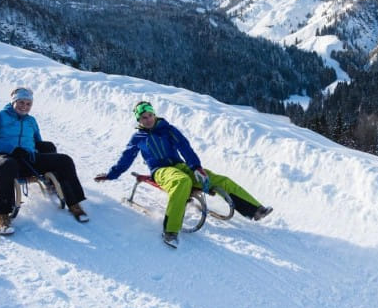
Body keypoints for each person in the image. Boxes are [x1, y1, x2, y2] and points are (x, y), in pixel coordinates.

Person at [94, 101, 272, 247]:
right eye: (142, 118)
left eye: (149, 115)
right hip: (161, 171)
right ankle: (170, 231)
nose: (147, 120)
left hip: (181, 165)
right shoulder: (138, 138)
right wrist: (111, 175)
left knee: (219, 179)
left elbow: (185, 148)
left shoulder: (169, 129)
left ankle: (255, 210)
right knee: (182, 182)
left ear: (154, 114)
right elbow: (126, 159)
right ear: (138, 121)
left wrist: (196, 167)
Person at [0, 87, 88, 234]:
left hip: (29, 157)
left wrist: (44, 156)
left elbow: (38, 141)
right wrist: (11, 149)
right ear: (13, 102)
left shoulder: (31, 120)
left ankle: (74, 203)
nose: (24, 106)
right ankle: (1, 215)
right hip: (8, 156)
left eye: (28, 103)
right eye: (21, 102)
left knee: (64, 160)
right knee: (6, 165)